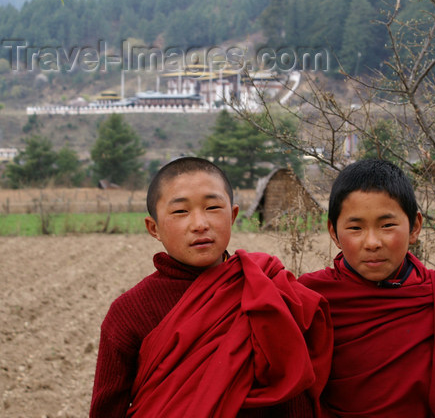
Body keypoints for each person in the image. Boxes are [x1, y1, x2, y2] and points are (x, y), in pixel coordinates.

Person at [90, 157, 332, 418]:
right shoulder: (129, 313)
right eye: (181, 212)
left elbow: (294, 390)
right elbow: (107, 409)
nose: (199, 224)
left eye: (213, 207)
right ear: (154, 228)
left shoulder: (267, 286)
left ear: (233, 215)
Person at [299, 159, 435, 418]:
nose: (372, 242)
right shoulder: (311, 300)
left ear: (414, 227)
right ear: (334, 233)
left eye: (387, 225)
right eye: (355, 228)